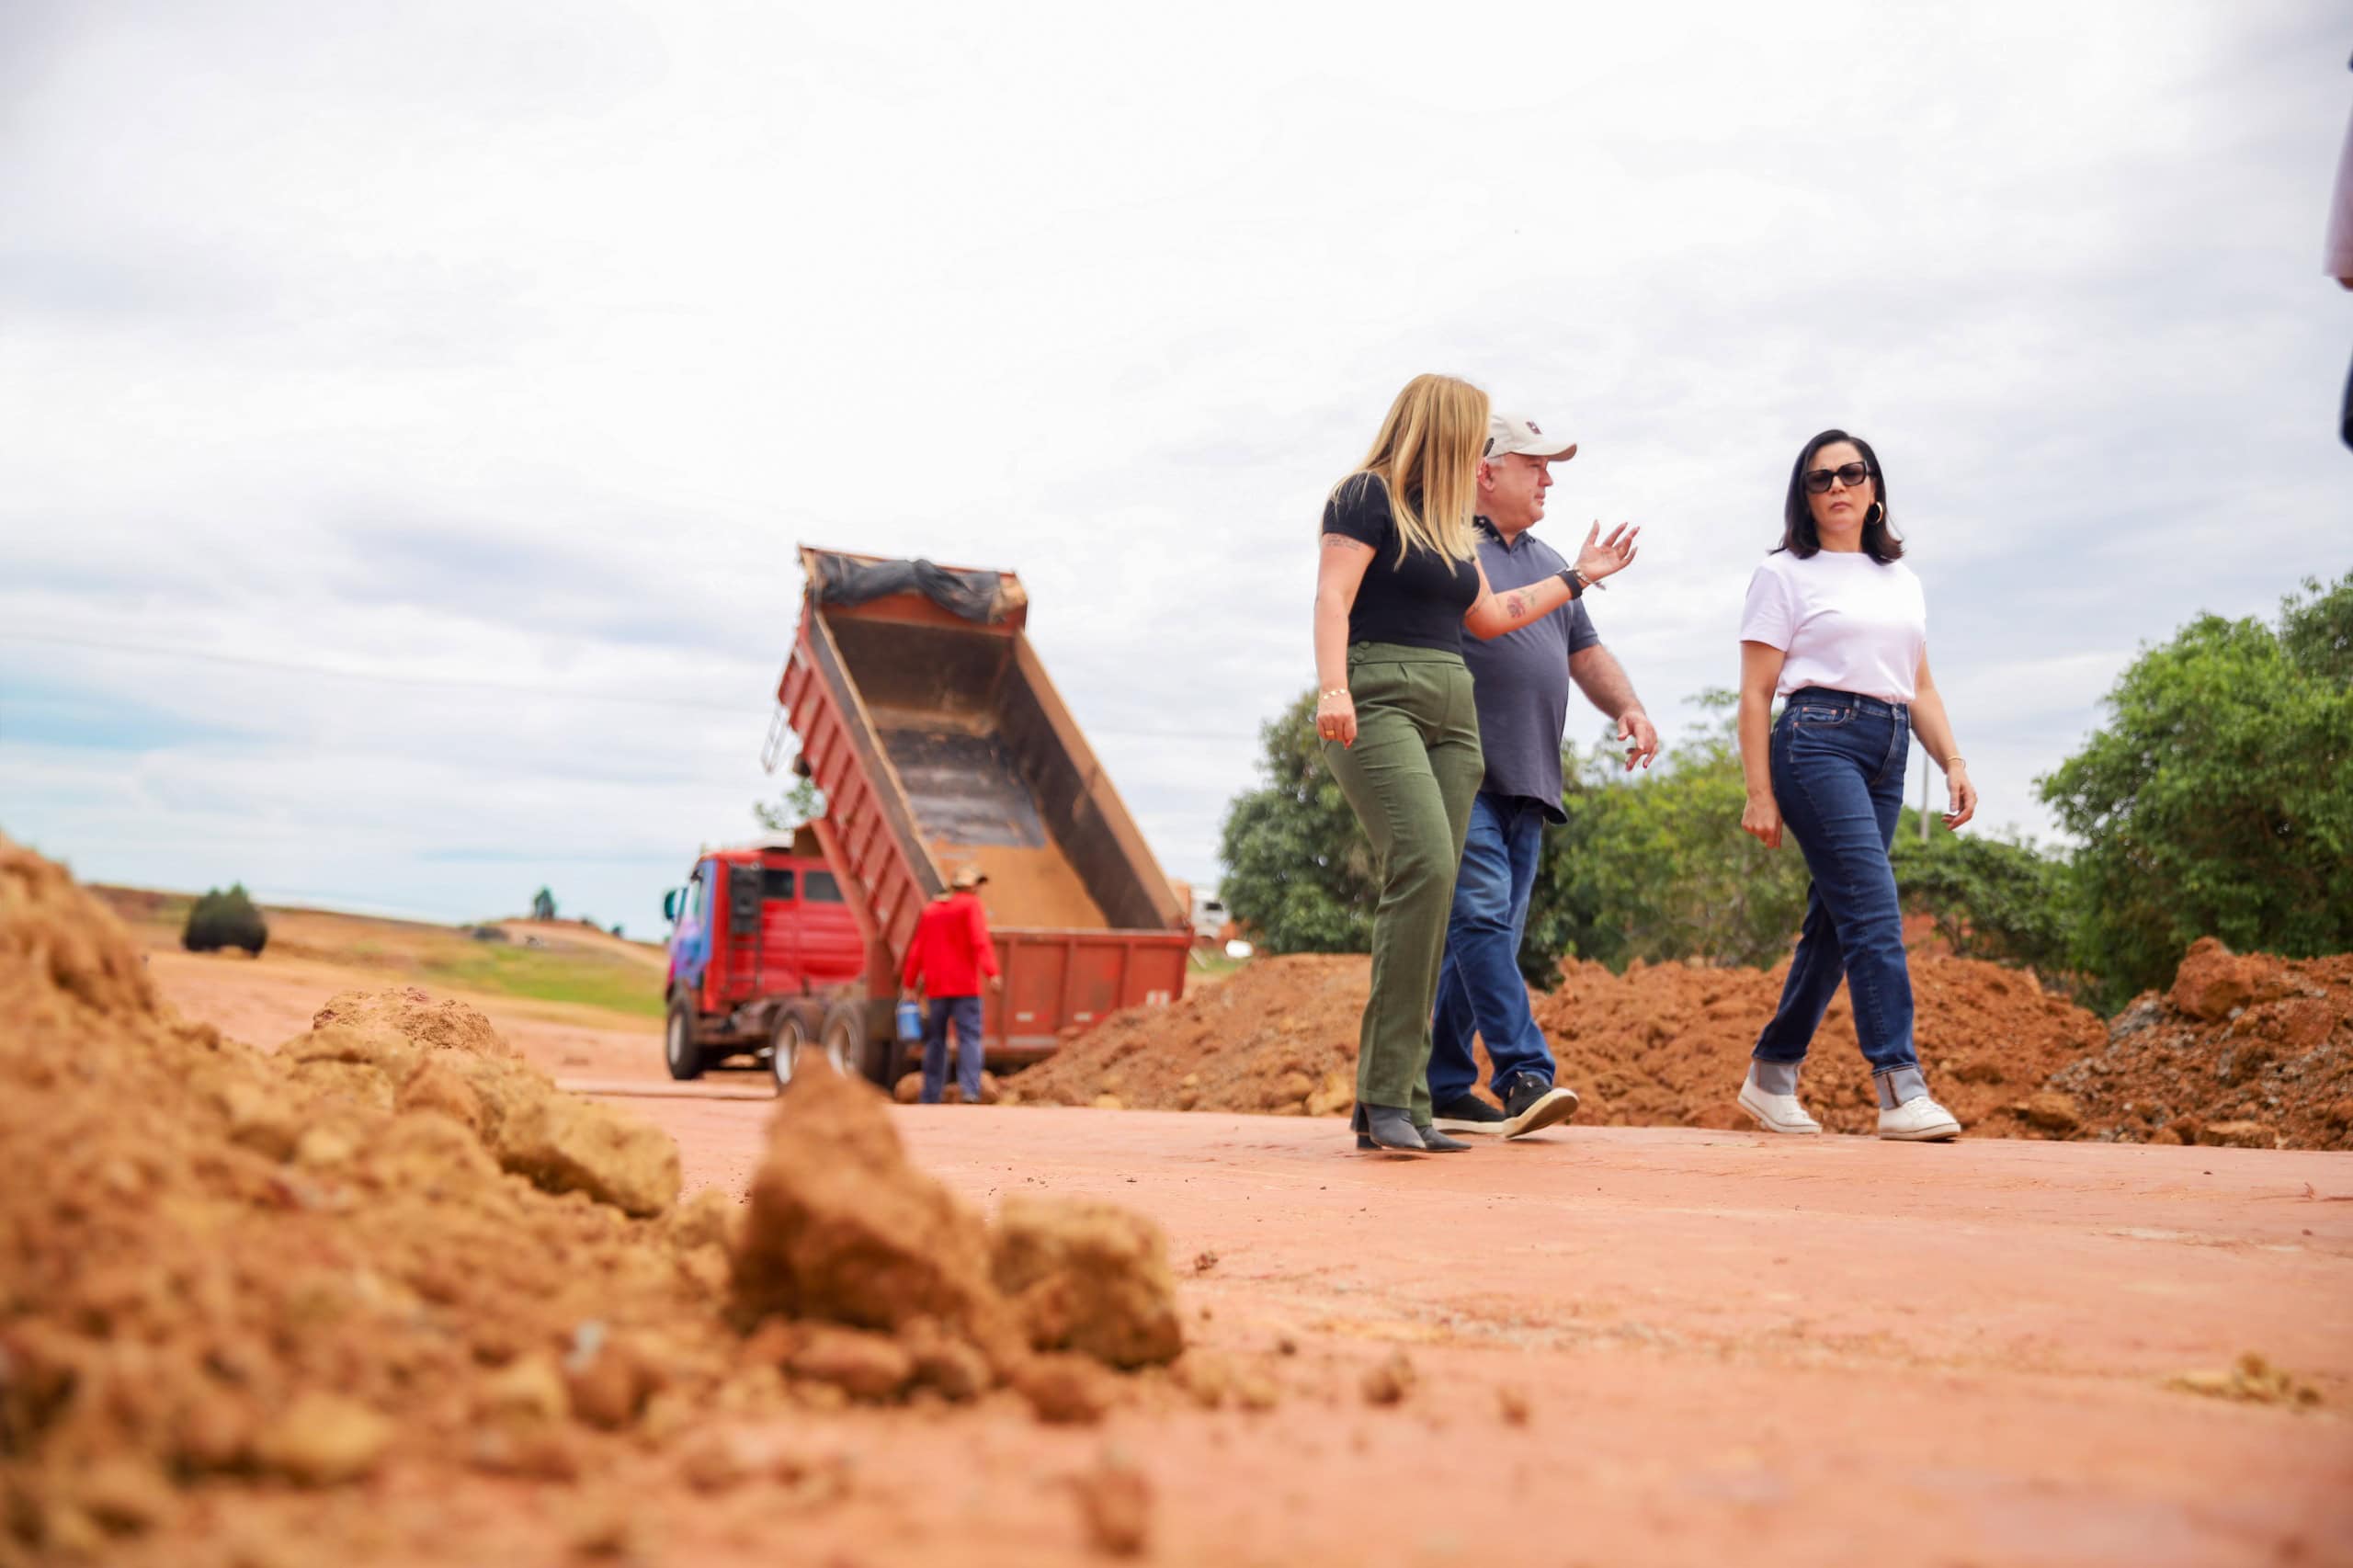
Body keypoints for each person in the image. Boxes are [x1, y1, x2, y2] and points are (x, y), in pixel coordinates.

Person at [1313, 374, 1639, 1155]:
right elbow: (1332, 598)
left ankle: (1403, 1101)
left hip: (1454, 714)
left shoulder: (1449, 527)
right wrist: (1333, 688)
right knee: (1426, 869)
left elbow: (1492, 617)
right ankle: (1391, 1094)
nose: (1479, 454)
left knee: (1436, 903)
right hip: (1380, 693)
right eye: (1472, 435)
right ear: (1446, 430)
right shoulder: (1365, 495)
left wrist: (1579, 577)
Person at [1733, 429, 1973, 1142]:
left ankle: (1771, 1076)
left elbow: (1919, 686)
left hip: (1890, 749)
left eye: (1851, 472)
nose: (1837, 486)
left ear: (1874, 490)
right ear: (1804, 498)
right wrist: (1758, 793)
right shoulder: (1784, 575)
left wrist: (1953, 762)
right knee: (1873, 909)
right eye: (1820, 478)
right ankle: (1900, 1086)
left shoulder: (1903, 582)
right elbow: (1755, 693)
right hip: (1817, 742)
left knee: (1837, 925)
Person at [1427, 412, 1660, 1141]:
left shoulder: (1548, 559)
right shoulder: (1445, 550)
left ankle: (1441, 1085)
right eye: (1535, 465)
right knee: (1480, 919)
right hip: (1460, 770)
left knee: (1486, 936)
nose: (1549, 479)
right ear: (1486, 471)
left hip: (1530, 779)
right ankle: (1525, 1072)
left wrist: (1629, 707)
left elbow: (1584, 652)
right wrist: (1578, 576)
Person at [900, 865, 1002, 1105]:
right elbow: (980, 941)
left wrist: (909, 984)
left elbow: (917, 950)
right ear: (971, 886)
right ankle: (970, 1091)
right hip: (965, 988)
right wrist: (992, 972)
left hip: (936, 989)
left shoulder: (931, 910)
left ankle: (930, 1094)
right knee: (969, 1038)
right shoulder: (970, 905)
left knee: (936, 1040)